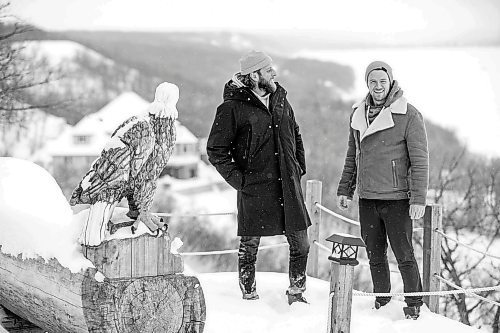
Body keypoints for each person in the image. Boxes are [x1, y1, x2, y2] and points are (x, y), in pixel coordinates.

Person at [207, 50, 311, 304]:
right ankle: (249, 292)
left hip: (288, 183)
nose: (274, 73)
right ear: (254, 75)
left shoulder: (280, 99)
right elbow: (216, 150)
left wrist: (298, 166)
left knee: (301, 243)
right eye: (268, 70)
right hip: (255, 186)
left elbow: (294, 132)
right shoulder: (232, 108)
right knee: (250, 245)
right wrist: (239, 181)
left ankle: (297, 293)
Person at [336, 61, 429, 319]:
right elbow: (352, 154)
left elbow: (420, 160)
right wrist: (345, 189)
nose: (378, 87)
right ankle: (382, 301)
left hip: (397, 198)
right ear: (367, 83)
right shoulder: (357, 113)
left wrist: (418, 198)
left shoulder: (408, 114)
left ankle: (414, 306)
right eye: (373, 82)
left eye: (382, 82)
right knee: (375, 255)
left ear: (391, 82)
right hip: (367, 198)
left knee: (404, 255)